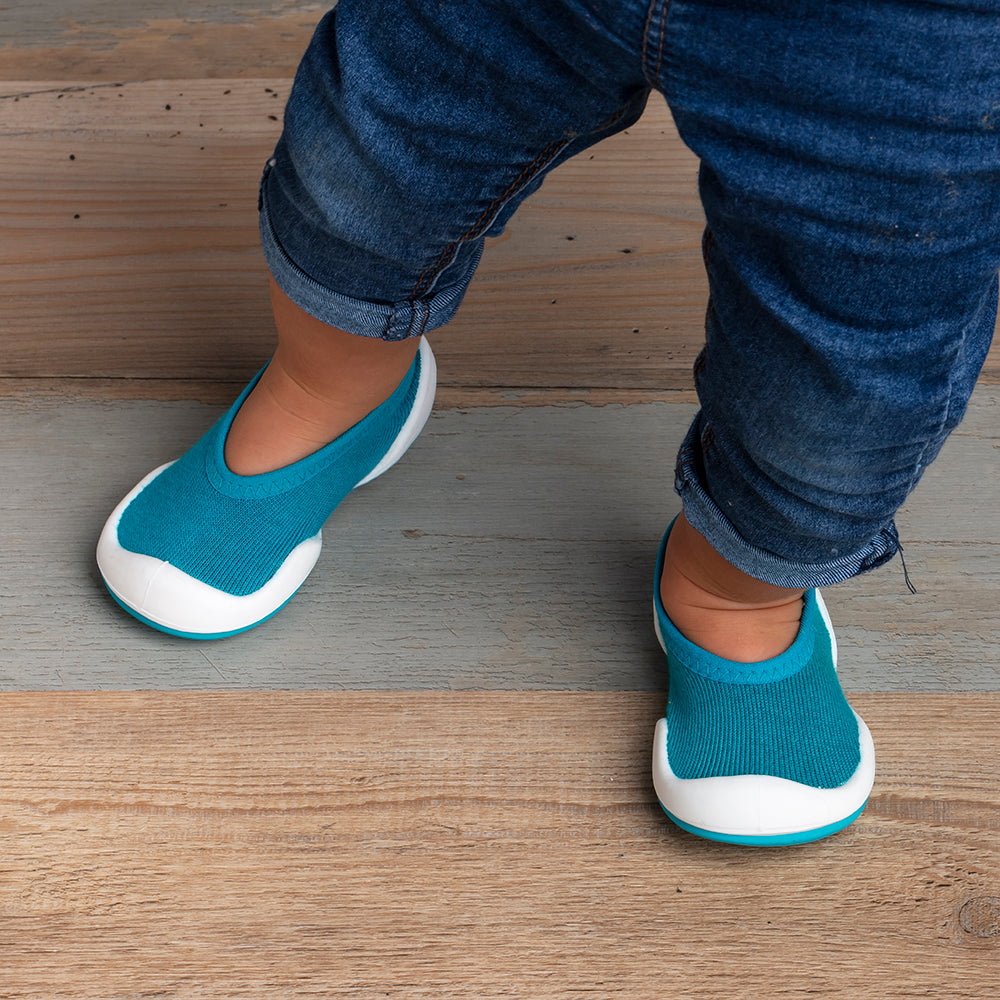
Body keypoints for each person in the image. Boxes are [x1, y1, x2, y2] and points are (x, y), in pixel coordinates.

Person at [96, 0, 999, 846]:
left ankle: (737, 588)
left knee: (846, 359)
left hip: (899, 33)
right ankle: (325, 395)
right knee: (366, 166)